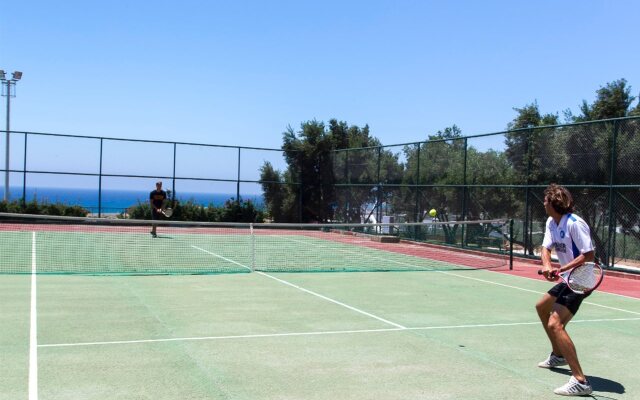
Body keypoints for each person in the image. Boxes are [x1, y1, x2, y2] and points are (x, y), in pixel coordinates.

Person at [535, 184, 594, 396]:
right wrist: (548, 266)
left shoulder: (575, 224)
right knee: (542, 307)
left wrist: (562, 268)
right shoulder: (552, 221)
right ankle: (558, 355)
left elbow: (588, 255)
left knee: (555, 323)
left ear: (553, 203)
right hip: (568, 277)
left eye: (545, 200)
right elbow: (546, 248)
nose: (543, 203)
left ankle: (581, 381)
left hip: (581, 279)